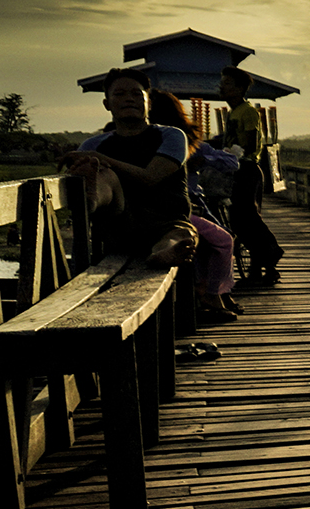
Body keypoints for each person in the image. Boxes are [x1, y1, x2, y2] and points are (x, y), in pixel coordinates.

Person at [65, 70, 199, 268]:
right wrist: (86, 166)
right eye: (119, 94)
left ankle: (164, 253)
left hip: (165, 224)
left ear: (149, 103)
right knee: (105, 176)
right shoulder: (92, 145)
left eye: (137, 94)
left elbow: (150, 177)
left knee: (180, 235)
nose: (129, 99)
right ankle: (90, 199)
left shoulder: (171, 136)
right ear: (107, 104)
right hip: (116, 224)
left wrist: (100, 158)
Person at [149, 89, 243, 324]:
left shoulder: (176, 140)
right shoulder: (171, 140)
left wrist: (203, 160)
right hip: (175, 212)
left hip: (186, 208)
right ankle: (212, 294)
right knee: (223, 240)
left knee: (214, 239)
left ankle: (215, 291)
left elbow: (231, 162)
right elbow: (232, 162)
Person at [213, 66, 284, 284]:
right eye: (222, 82)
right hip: (236, 169)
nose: (221, 87)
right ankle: (256, 271)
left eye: (227, 83)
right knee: (239, 221)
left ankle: (271, 257)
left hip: (247, 169)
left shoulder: (248, 112)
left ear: (240, 89)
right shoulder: (233, 112)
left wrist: (230, 151)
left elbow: (251, 143)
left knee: (247, 219)